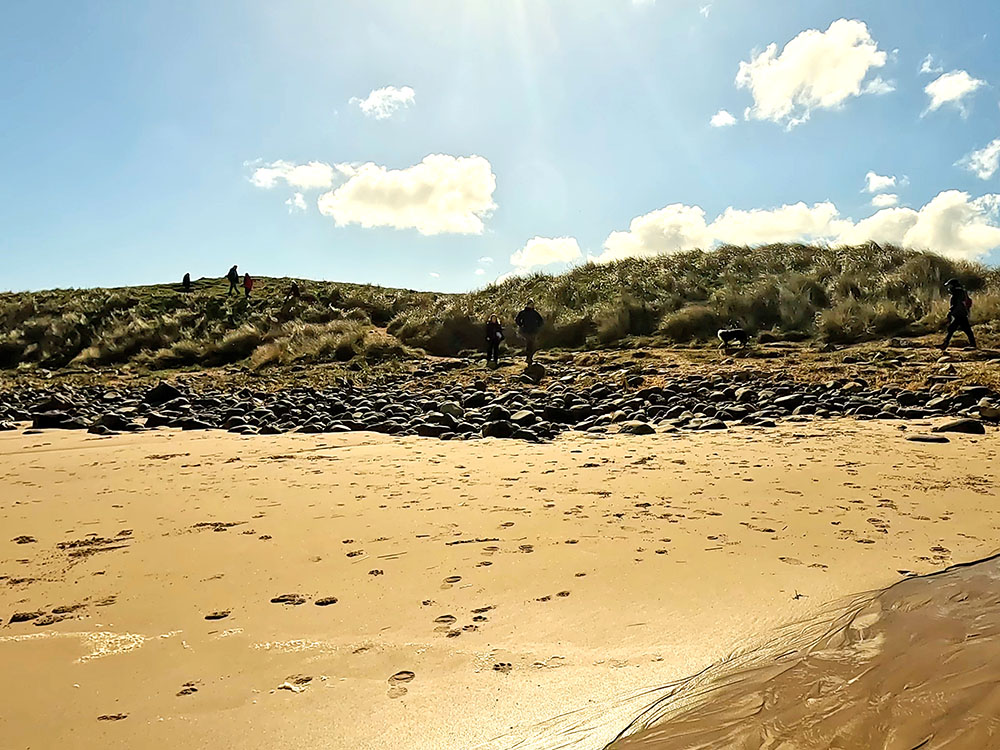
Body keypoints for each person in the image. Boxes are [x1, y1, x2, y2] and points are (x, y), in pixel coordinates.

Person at [941, 278, 976, 350]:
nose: (949, 288)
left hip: (960, 314)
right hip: (961, 313)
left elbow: (957, 304)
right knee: (965, 329)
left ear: (953, 286)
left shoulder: (957, 293)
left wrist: (950, 313)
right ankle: (945, 343)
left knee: (952, 328)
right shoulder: (961, 292)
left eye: (949, 286)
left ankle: (945, 344)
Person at [515, 299, 544, 365]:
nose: (532, 306)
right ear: (527, 305)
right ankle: (528, 358)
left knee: (532, 345)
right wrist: (521, 325)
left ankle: (529, 358)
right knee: (529, 344)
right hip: (525, 330)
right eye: (530, 304)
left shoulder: (535, 313)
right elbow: (517, 320)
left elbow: (541, 320)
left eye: (532, 305)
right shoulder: (523, 312)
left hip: (533, 330)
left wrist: (537, 326)